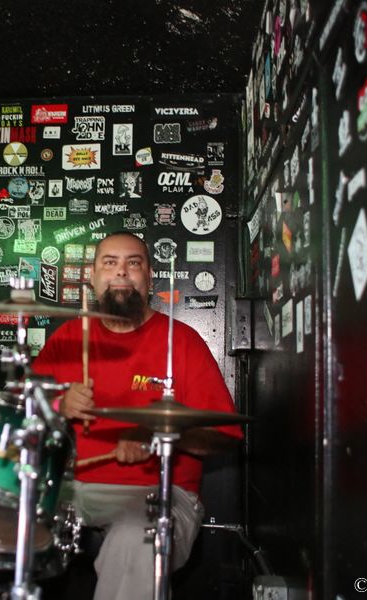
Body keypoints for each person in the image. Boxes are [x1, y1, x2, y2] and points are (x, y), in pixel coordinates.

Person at [32, 231, 243, 600]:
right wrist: (58, 405)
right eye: (109, 263)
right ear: (93, 276)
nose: (121, 272)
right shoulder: (69, 337)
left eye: (133, 263)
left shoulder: (182, 342)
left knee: (139, 538)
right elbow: (22, 407)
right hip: (68, 488)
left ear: (150, 278)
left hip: (157, 491)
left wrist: (157, 437)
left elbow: (224, 437)